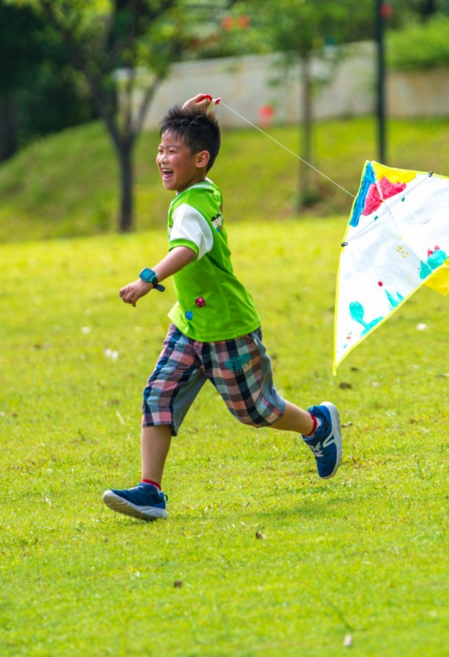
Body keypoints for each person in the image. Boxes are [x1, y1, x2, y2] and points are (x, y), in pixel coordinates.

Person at [102, 94, 341, 521]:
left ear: (201, 159)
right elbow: (196, 160)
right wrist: (195, 116)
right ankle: (150, 492)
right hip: (190, 327)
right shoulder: (202, 187)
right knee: (158, 395)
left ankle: (317, 426)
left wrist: (148, 278)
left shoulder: (194, 205)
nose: (161, 158)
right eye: (160, 149)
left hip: (228, 327)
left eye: (172, 151)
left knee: (256, 411)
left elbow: (187, 249)